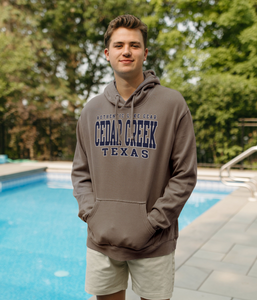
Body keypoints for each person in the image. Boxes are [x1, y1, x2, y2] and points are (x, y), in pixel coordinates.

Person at [71, 14, 197, 300]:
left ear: (145, 53)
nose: (126, 51)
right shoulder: (91, 111)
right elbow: (81, 172)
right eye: (118, 45)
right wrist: (92, 214)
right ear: (107, 53)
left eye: (134, 45)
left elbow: (184, 174)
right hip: (101, 242)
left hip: (153, 243)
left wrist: (152, 222)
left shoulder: (172, 104)